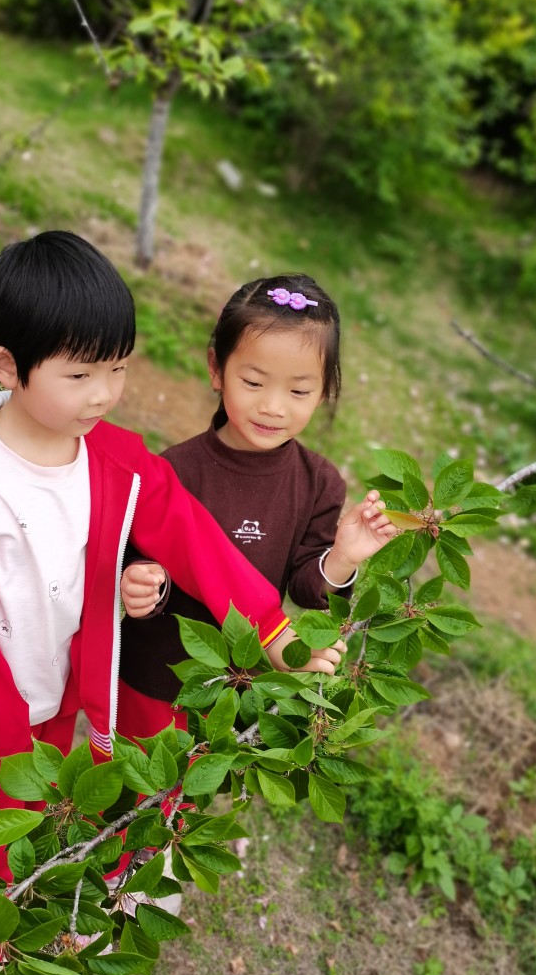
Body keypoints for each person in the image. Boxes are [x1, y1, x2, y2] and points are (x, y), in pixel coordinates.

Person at [0, 235, 341, 975]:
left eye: (117, 369)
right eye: (81, 375)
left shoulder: (119, 463)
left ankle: (43, 922)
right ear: (7, 366)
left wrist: (272, 631)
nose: (105, 395)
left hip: (67, 696)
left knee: (51, 817)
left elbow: (198, 544)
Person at [118, 273, 397, 743]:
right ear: (217, 369)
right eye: (252, 382)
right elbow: (137, 556)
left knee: (206, 781)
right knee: (137, 777)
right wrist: (141, 583)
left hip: (243, 684)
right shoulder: (176, 470)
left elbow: (307, 591)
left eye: (298, 391)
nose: (273, 407)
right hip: (156, 677)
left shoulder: (319, 483)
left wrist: (343, 557)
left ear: (325, 390)